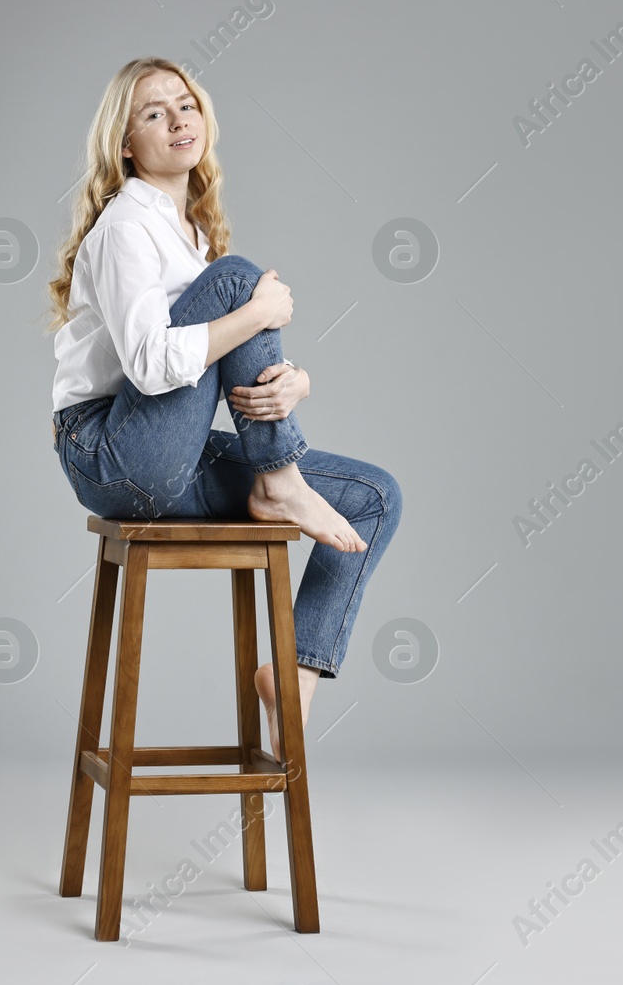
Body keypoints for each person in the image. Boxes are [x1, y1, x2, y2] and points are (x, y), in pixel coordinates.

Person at [44, 56, 403, 761]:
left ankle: (294, 674)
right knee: (240, 281)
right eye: (154, 112)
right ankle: (279, 482)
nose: (178, 120)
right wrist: (258, 308)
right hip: (113, 451)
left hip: (170, 448)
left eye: (186, 105)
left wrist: (292, 383)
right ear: (124, 143)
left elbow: (215, 367)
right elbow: (150, 368)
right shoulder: (126, 227)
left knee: (375, 498)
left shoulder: (192, 235)